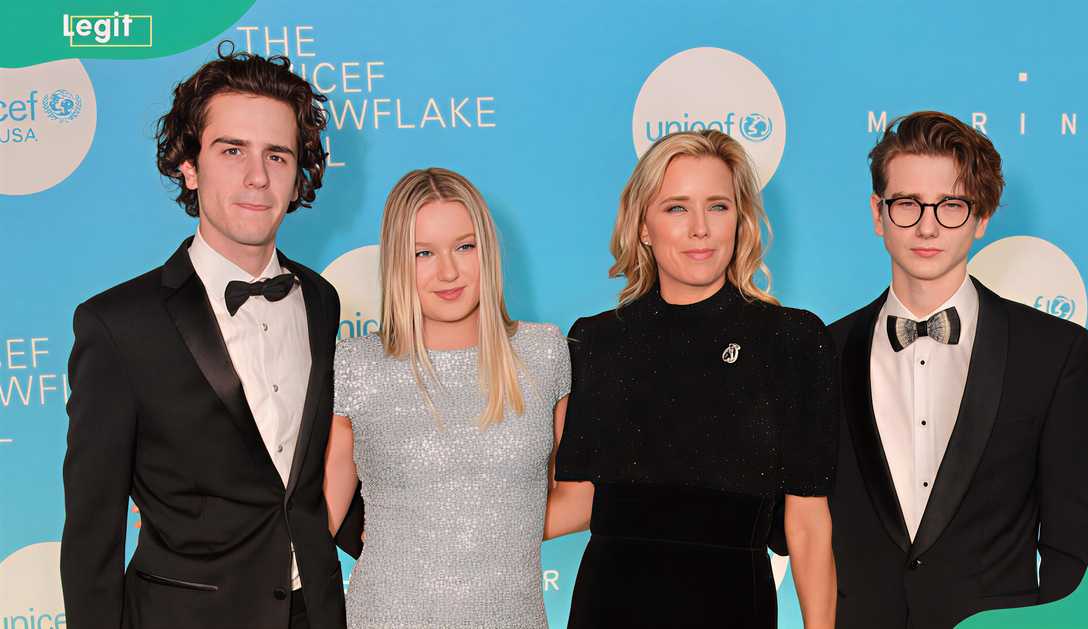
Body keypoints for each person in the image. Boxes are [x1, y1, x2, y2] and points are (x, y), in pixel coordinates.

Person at [61, 45, 360, 629]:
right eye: (232, 151)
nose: (257, 176)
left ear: (299, 174)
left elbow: (303, 483)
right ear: (189, 166)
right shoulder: (118, 325)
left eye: (278, 155)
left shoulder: (321, 300)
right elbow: (92, 534)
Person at [547, 130, 838, 628]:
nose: (700, 229)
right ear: (643, 226)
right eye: (677, 208)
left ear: (741, 220)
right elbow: (575, 502)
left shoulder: (791, 341)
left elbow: (808, 524)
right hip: (609, 606)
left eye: (718, 206)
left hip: (732, 606)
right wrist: (443, 520)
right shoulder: (595, 343)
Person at [828, 111, 1088, 629]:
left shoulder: (1053, 353)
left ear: (981, 217)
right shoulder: (823, 352)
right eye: (907, 204)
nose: (927, 225)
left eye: (951, 205)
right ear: (877, 213)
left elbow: (1070, 547)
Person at [323, 167, 571, 628]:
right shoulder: (357, 364)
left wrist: (481, 528)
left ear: (488, 250)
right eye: (424, 253)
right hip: (385, 616)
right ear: (398, 261)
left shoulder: (544, 352)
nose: (449, 271)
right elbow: (321, 516)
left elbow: (578, 494)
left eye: (464, 246)